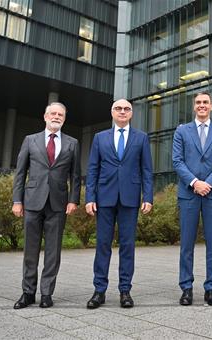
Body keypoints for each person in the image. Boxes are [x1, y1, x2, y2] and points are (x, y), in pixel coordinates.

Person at [85, 99, 153, 309]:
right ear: (112, 112)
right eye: (118, 108)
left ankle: (125, 291)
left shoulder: (141, 138)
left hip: (130, 199)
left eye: (126, 109)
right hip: (104, 198)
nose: (122, 112)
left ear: (131, 113)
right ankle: (99, 291)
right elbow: (93, 170)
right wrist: (90, 198)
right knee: (102, 245)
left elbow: (147, 170)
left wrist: (148, 197)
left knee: (127, 246)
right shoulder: (99, 138)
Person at [12, 102, 81, 309]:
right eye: (53, 113)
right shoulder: (30, 140)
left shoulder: (72, 143)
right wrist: (17, 200)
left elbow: (75, 175)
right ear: (45, 116)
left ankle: (47, 293)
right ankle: (27, 292)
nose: (56, 117)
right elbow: (20, 172)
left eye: (60, 114)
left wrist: (73, 200)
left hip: (58, 204)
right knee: (30, 250)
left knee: (53, 251)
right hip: (32, 201)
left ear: (64, 119)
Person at [172, 91, 212, 306]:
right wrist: (195, 182)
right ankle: (186, 288)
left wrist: (208, 183)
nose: (202, 105)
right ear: (193, 106)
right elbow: (177, 161)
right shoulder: (182, 131)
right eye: (198, 102)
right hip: (188, 194)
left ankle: (210, 289)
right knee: (186, 244)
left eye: (205, 102)